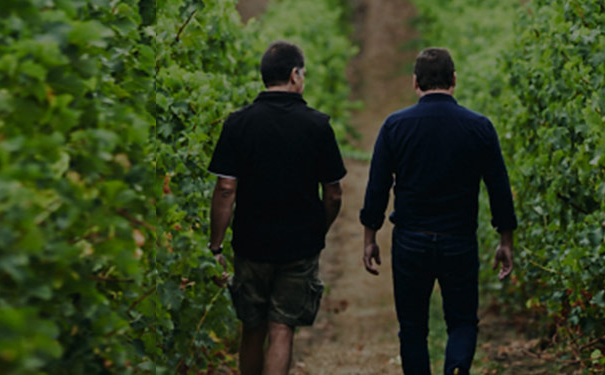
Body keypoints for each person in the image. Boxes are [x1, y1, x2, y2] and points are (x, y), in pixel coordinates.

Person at [360, 47, 517, 375]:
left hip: (410, 242)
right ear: (454, 80)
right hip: (458, 240)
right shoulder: (479, 127)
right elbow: (499, 188)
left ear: (415, 82)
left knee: (413, 327)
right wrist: (505, 239)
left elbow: (378, 186)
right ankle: (456, 368)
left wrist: (370, 235)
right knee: (462, 322)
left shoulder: (395, 126)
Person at [208, 41, 346, 375]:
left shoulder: (237, 124)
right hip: (298, 245)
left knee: (252, 328)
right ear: (294, 75)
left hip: (250, 244)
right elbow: (334, 194)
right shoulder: (317, 126)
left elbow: (226, 189)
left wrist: (215, 245)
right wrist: (318, 230)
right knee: (282, 329)